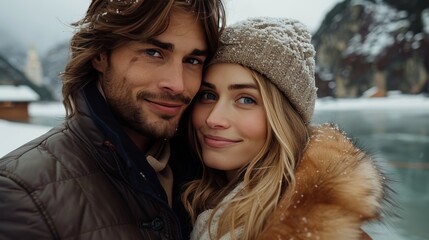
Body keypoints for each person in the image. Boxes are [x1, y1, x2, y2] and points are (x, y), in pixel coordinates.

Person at [0, 0, 226, 239]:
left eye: (192, 61)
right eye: (153, 53)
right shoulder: (21, 192)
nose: (178, 84)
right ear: (101, 55)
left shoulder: (216, 171)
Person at [181, 17, 393, 240]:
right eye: (208, 95)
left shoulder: (322, 232)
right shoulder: (188, 198)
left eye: (246, 100)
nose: (214, 118)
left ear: (283, 118)